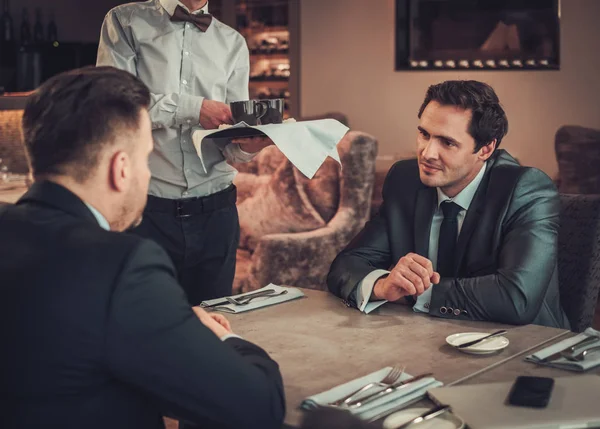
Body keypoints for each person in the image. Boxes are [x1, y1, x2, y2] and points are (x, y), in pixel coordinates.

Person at [0, 66, 285, 429]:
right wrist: (221, 337)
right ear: (121, 168)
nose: (147, 173)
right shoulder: (122, 266)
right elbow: (259, 405)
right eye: (145, 157)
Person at [327, 80, 569, 329]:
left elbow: (517, 298)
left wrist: (416, 292)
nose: (428, 153)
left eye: (448, 142)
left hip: (523, 347)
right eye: (424, 134)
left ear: (485, 149)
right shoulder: (405, 180)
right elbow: (345, 266)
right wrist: (382, 286)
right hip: (427, 341)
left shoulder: (526, 189)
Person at [97, 0, 272, 305]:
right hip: (146, 213)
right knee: (143, 327)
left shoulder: (232, 42)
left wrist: (249, 145)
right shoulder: (124, 21)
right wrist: (193, 109)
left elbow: (230, 144)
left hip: (217, 214)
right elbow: (114, 107)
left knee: (213, 327)